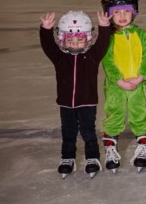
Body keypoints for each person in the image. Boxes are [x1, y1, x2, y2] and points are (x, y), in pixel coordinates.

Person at [40, 9, 111, 178]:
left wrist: (104, 26)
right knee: (68, 132)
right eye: (69, 39)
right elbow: (48, 47)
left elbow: (102, 44)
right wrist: (46, 29)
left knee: (88, 132)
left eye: (79, 40)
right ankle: (68, 158)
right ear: (62, 39)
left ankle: (92, 158)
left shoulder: (92, 57)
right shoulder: (59, 58)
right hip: (66, 104)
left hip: (87, 103)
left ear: (87, 39)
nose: (74, 43)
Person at [100, 0, 146, 173]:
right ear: (109, 14)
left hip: (137, 85)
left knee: (140, 114)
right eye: (117, 12)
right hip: (116, 86)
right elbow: (108, 61)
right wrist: (119, 81)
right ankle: (110, 148)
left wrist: (141, 77)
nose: (122, 16)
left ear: (134, 12)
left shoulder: (142, 34)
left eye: (126, 11)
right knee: (114, 113)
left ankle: (143, 147)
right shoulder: (109, 37)